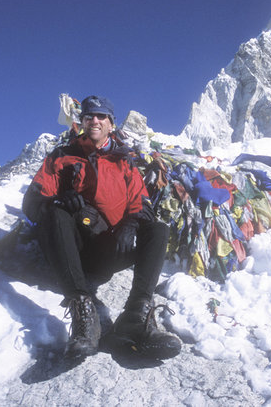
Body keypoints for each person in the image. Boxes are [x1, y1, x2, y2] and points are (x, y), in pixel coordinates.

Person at [22, 95, 181, 359]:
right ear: (82, 122)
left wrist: (131, 223)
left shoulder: (124, 163)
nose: (94, 120)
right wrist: (57, 200)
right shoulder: (61, 157)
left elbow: (142, 205)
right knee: (55, 212)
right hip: (71, 251)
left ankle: (135, 315)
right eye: (88, 116)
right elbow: (32, 202)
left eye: (101, 116)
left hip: (109, 249)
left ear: (111, 124)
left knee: (157, 230)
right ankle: (84, 313)